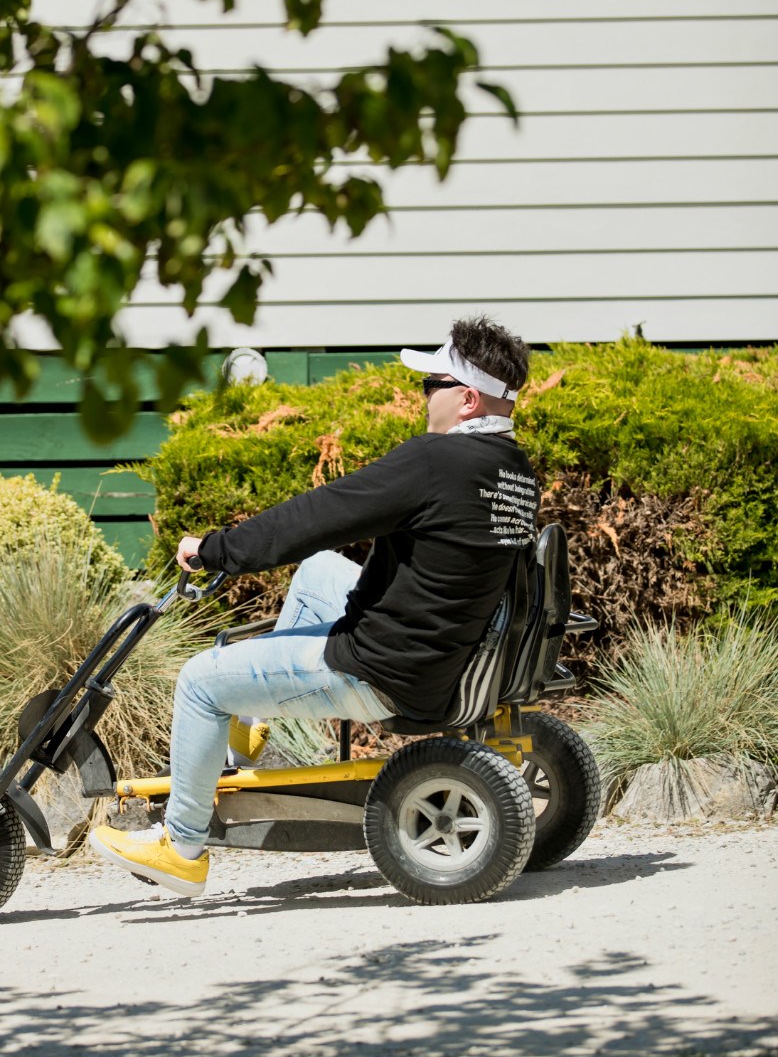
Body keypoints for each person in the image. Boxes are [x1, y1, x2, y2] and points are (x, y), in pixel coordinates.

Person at [89, 314, 540, 896]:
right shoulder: (514, 471)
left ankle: (182, 846)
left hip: (384, 668)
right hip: (440, 647)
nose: (423, 395)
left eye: (432, 384)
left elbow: (319, 514)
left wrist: (217, 550)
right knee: (319, 570)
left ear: (468, 399)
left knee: (199, 683)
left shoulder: (437, 461)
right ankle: (251, 721)